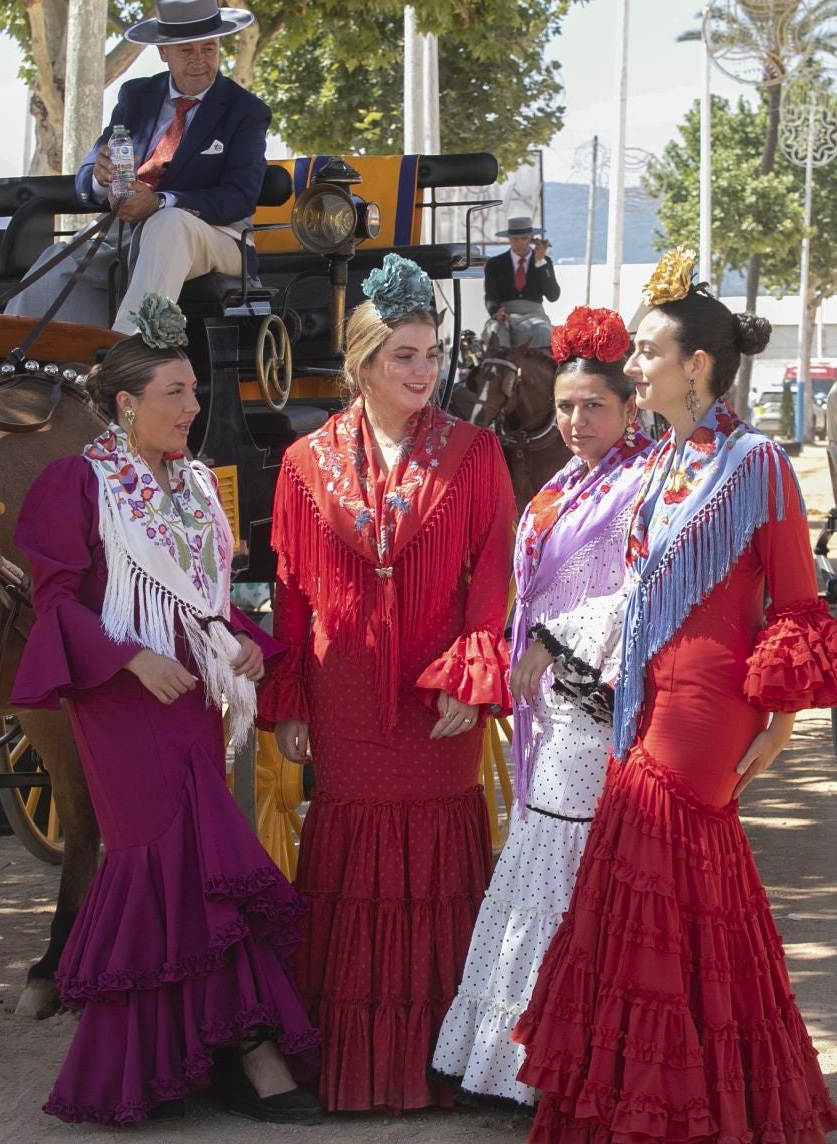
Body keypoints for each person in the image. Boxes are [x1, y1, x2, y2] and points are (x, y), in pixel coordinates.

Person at [514, 249, 837, 1144]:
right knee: (666, 894)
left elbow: (795, 602)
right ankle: (687, 1097)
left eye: (648, 352)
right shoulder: (665, 460)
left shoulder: (757, 464)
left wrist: (782, 718)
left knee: (661, 872)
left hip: (710, 707)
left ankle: (679, 1106)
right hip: (644, 699)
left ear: (698, 367)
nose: (634, 366)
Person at [10, 294, 322, 1127]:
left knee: (199, 862)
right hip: (122, 701)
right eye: (173, 393)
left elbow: (207, 600)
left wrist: (243, 641)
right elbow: (55, 603)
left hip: (192, 698)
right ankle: (242, 1053)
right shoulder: (75, 482)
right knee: (165, 854)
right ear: (125, 403)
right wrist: (129, 657)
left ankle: (209, 1051)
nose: (191, 407)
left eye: (192, 392)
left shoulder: (196, 484)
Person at [259, 254, 517, 1113]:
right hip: (341, 696)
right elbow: (292, 590)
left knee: (440, 853)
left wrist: (472, 677)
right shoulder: (304, 461)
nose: (423, 370)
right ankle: (354, 1064)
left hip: (437, 696)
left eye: (431, 354)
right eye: (404, 355)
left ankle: (443, 1059)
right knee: (351, 849)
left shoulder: (475, 453)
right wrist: (290, 700)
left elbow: (492, 578)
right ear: (363, 364)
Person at [430, 305, 653, 1107]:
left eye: (594, 405)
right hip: (546, 704)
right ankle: (524, 1061)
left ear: (630, 406)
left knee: (559, 866)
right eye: (564, 406)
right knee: (543, 859)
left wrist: (557, 643)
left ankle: (552, 1068)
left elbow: (644, 590)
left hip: (596, 696)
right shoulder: (565, 482)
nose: (576, 420)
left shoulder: (646, 482)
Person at [18, 0, 271, 330]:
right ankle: (18, 357)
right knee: (56, 265)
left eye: (209, 48)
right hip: (126, 230)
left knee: (168, 225)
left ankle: (129, 352)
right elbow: (87, 176)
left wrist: (160, 202)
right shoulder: (137, 96)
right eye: (186, 50)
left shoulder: (246, 110)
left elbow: (239, 197)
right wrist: (102, 178)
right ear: (163, 51)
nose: (199, 59)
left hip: (217, 237)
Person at [482, 217, 561, 352]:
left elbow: (553, 296)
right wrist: (496, 311)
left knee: (542, 331)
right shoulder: (495, 264)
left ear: (531, 238)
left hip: (535, 315)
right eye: (515, 239)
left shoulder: (544, 262)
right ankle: (501, 365)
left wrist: (540, 263)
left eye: (524, 238)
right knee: (496, 331)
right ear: (509, 239)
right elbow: (490, 294)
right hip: (506, 314)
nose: (520, 243)